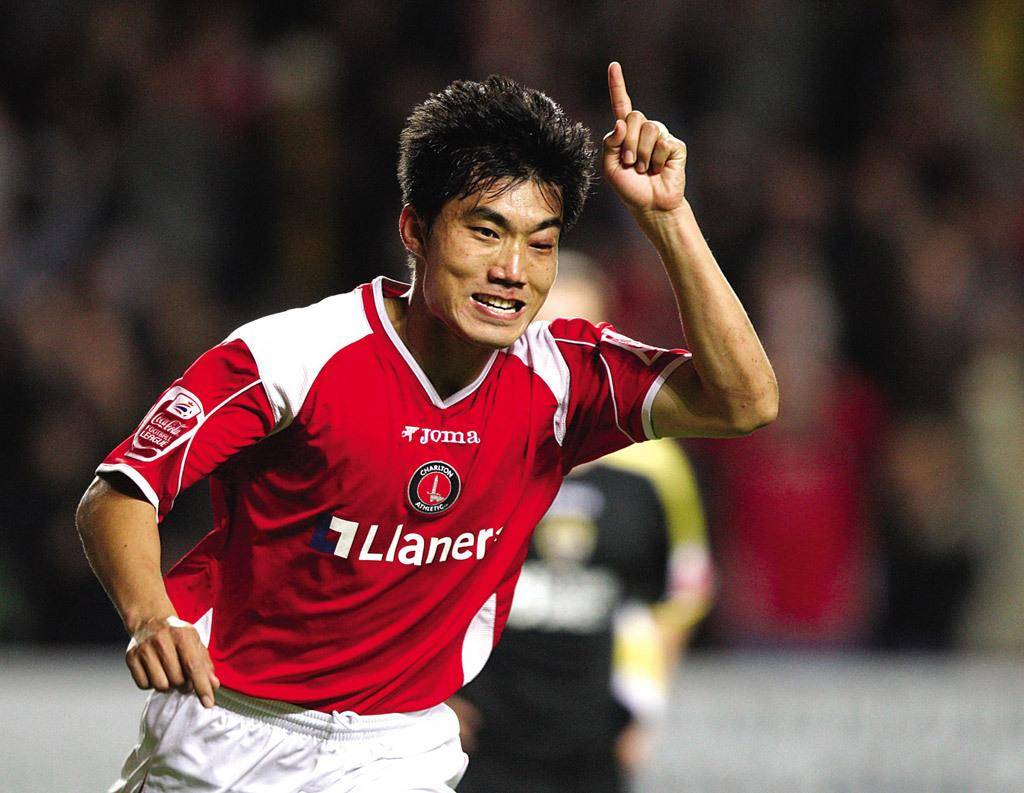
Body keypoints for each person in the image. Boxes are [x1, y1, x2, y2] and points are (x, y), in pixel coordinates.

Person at [76, 63, 777, 792]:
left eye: (540, 243)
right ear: (415, 229)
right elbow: (120, 491)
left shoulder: (564, 380)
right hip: (228, 725)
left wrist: (668, 218)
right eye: (485, 231)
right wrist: (150, 617)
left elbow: (744, 402)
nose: (512, 269)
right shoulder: (293, 355)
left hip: (398, 748)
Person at [450, 254, 713, 793]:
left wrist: (644, 705)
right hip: (471, 743)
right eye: (546, 333)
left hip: (591, 748)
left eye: (583, 336)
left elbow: (683, 591)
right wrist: (432, 698)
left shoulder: (654, 464)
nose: (563, 355)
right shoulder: (460, 443)